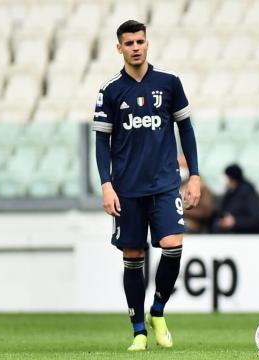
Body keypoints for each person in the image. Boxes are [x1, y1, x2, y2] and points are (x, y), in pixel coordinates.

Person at [92, 20, 201, 351]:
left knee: (173, 244)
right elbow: (101, 142)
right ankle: (138, 331)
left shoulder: (168, 83)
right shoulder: (110, 90)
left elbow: (187, 130)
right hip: (126, 189)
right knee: (133, 254)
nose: (136, 47)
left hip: (166, 184)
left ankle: (158, 311)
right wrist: (106, 185)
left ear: (147, 44)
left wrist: (194, 174)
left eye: (140, 41)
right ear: (119, 48)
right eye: (129, 43)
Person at [211, 164, 259, 233]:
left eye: (226, 178)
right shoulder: (230, 192)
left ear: (232, 179)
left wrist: (235, 222)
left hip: (243, 236)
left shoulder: (248, 193)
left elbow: (257, 220)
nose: (225, 182)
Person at [178, 154, 213, 233]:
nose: (180, 169)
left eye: (183, 166)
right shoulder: (180, 183)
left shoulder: (201, 186)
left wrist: (183, 211)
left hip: (193, 223)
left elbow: (206, 212)